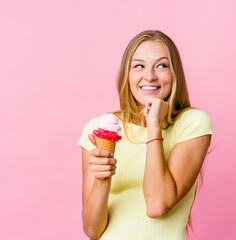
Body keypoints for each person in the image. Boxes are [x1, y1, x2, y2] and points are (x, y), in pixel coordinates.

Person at [77, 30, 213, 240]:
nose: (149, 76)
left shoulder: (192, 124)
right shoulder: (99, 128)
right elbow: (92, 230)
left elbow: (157, 205)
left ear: (174, 73)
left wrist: (154, 126)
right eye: (139, 66)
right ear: (127, 74)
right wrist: (102, 178)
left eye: (162, 65)